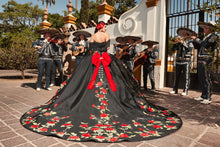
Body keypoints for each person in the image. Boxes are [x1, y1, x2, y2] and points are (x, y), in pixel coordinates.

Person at [20, 21, 182, 143]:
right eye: (104, 27)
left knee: (82, 83)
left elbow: (91, 48)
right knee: (116, 81)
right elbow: (107, 48)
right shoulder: (106, 36)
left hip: (92, 59)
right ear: (102, 28)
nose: (105, 29)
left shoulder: (92, 38)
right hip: (106, 59)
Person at [191, 21, 218, 104]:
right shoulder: (205, 37)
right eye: (204, 28)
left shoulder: (214, 36)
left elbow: (206, 45)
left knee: (206, 78)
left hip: (207, 59)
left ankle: (208, 97)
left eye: (206, 28)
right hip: (201, 58)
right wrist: (193, 40)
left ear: (211, 29)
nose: (204, 30)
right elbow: (198, 46)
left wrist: (197, 39)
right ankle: (203, 95)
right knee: (201, 78)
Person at [169, 28, 195, 96]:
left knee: (186, 76)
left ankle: (185, 91)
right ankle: (175, 90)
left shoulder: (190, 42)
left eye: (185, 34)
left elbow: (189, 49)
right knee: (176, 76)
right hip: (178, 61)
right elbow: (173, 49)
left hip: (186, 61)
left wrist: (182, 43)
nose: (183, 35)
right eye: (182, 34)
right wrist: (175, 43)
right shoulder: (179, 42)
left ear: (187, 35)